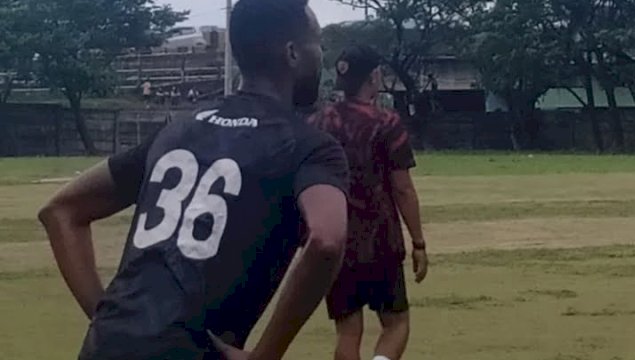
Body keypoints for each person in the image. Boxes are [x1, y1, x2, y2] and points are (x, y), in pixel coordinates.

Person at [38, 0, 349, 359]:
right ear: (292, 53)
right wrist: (267, 354)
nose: (322, 54)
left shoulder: (179, 130)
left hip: (106, 346)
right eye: (317, 42)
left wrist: (107, 319)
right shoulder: (309, 145)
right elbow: (327, 241)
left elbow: (61, 210)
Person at [309, 45, 429, 360]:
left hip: (337, 242)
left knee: (348, 332)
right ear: (374, 77)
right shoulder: (387, 123)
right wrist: (418, 242)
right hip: (381, 242)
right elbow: (402, 188)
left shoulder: (319, 124)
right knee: (396, 324)